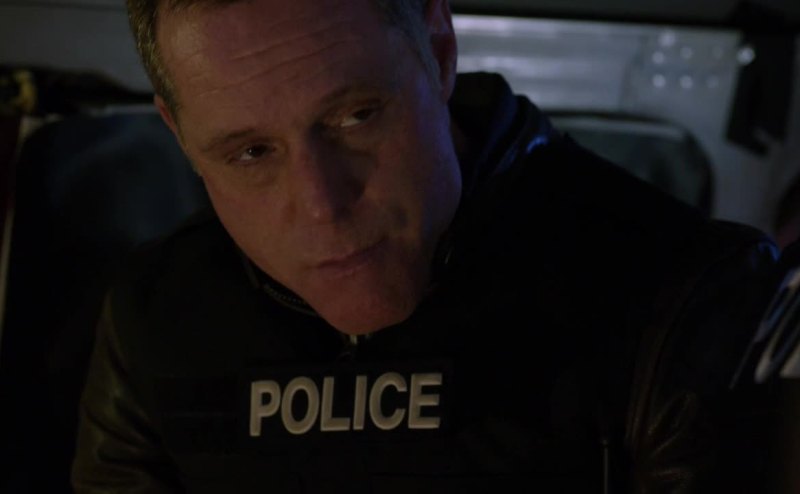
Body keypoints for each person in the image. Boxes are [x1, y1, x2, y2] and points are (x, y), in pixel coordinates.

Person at [71, 0, 779, 492]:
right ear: (179, 136)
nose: (322, 205)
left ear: (439, 53)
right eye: (251, 153)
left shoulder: (688, 296)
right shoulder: (155, 317)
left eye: (356, 116)